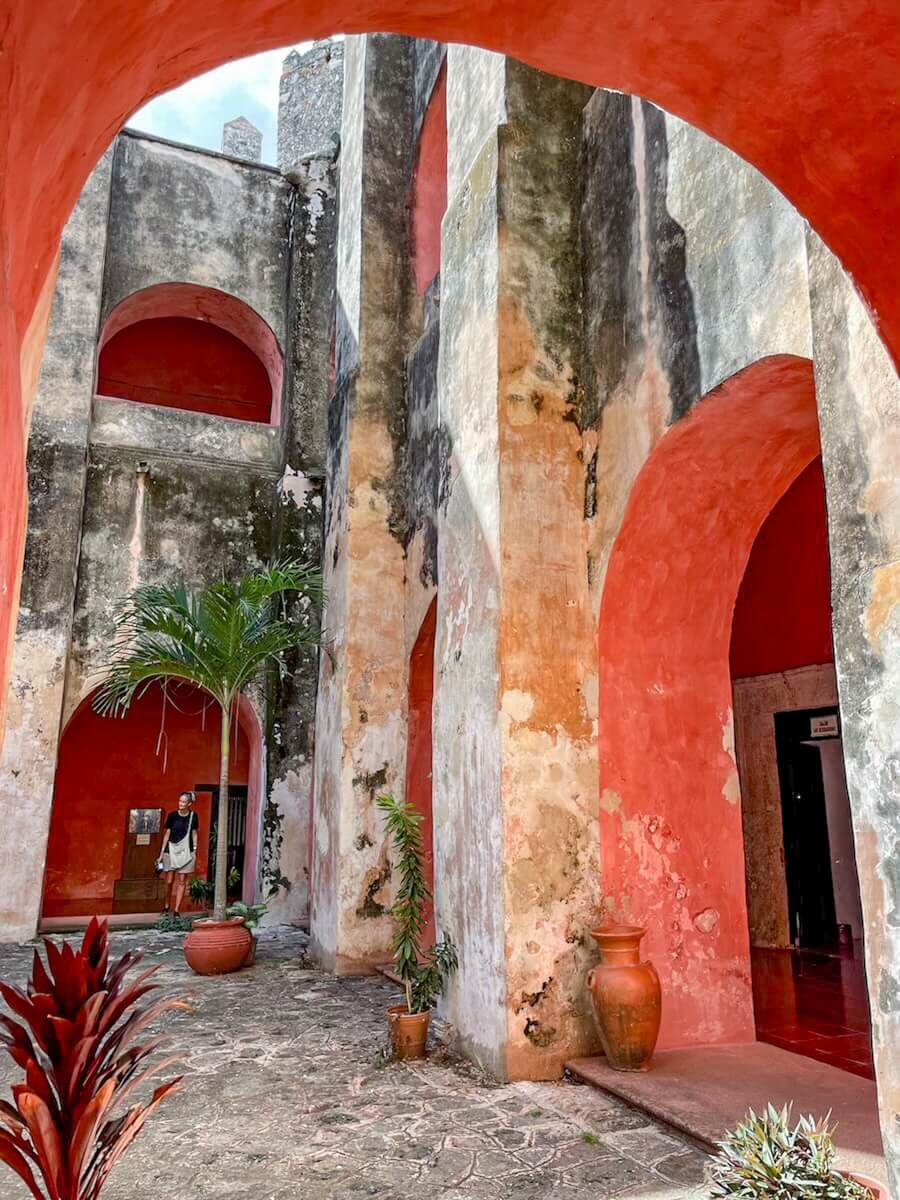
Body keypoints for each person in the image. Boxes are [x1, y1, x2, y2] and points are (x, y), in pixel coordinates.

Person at [159, 791, 199, 917]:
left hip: (186, 851)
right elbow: (167, 834)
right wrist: (161, 852)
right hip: (170, 849)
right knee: (169, 880)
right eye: (180, 801)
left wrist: (194, 849)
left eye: (183, 802)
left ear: (189, 804)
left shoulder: (193, 816)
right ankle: (166, 904)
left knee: (182, 880)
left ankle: (176, 910)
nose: (180, 804)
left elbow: (194, 833)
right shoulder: (172, 816)